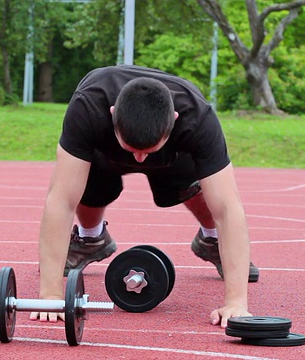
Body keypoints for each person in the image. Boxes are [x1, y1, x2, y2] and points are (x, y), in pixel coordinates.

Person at [29, 65, 259, 328]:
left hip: (174, 155)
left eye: (147, 150)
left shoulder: (198, 118)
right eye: (132, 149)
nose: (139, 159)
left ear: (174, 119)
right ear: (112, 115)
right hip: (104, 152)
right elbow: (60, 200)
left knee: (196, 188)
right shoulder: (88, 107)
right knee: (81, 183)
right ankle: (90, 239)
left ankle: (211, 240)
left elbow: (228, 209)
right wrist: (50, 295)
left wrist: (237, 302)